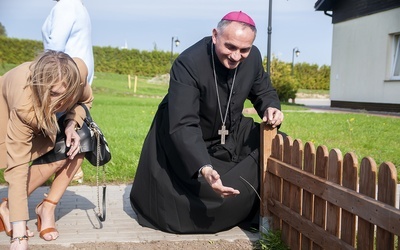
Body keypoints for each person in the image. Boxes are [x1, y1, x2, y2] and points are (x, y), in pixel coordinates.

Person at [129, 11, 284, 234]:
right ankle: (234, 201)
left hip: (229, 132)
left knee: (276, 142)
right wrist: (203, 166)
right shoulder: (189, 63)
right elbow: (183, 124)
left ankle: (244, 202)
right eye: (230, 47)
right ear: (215, 35)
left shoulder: (253, 58)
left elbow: (264, 90)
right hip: (186, 141)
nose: (236, 56)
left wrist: (271, 107)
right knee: (194, 201)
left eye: (244, 50)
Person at [0, 50, 93, 250]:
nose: (59, 102)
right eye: (53, 94)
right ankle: (8, 209)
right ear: (41, 87)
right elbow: (18, 169)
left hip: (48, 118)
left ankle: (47, 208)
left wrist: (71, 123)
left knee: (82, 139)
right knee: (21, 165)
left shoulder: (78, 75)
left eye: (64, 95)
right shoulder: (23, 104)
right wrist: (19, 238)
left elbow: (85, 101)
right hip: (9, 114)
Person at [42, 0, 95, 182]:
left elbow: (53, 50)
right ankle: (49, 202)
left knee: (56, 146)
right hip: (76, 83)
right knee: (73, 141)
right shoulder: (79, 7)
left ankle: (14, 201)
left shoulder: (66, 5)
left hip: (61, 84)